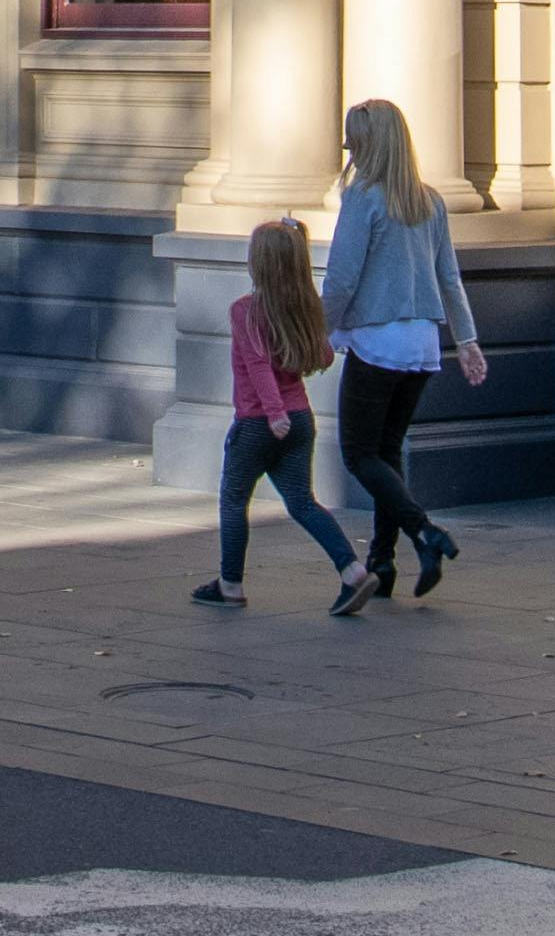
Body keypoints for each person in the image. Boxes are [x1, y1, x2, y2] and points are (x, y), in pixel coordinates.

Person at [321, 97, 486, 604]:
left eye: (353, 139)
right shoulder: (430, 200)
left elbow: (343, 279)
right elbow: (450, 279)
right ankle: (382, 561)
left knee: (358, 454)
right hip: (422, 343)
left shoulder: (363, 198)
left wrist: (317, 332)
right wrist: (468, 341)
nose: (347, 147)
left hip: (377, 338)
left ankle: (425, 532)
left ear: (367, 144)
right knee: (387, 453)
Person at [196, 214, 364, 615]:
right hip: (301, 418)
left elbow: (257, 366)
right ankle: (352, 569)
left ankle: (231, 583)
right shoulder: (304, 310)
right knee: (303, 502)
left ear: (259, 264)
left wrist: (272, 413)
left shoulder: (246, 311)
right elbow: (322, 356)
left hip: (259, 422)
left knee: (234, 499)